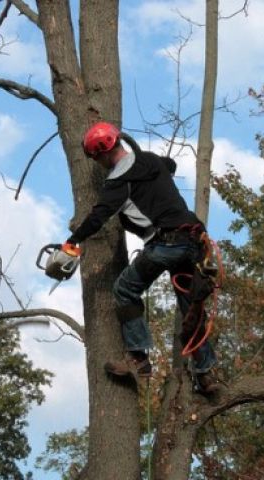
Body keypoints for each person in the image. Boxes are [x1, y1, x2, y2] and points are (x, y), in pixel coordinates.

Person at [65, 121, 220, 394]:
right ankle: (206, 373)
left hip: (166, 244)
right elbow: (169, 165)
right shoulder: (150, 161)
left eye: (96, 158)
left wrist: (72, 241)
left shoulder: (118, 183)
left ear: (100, 154)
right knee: (190, 306)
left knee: (124, 289)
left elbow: (99, 216)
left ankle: (138, 359)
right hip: (195, 242)